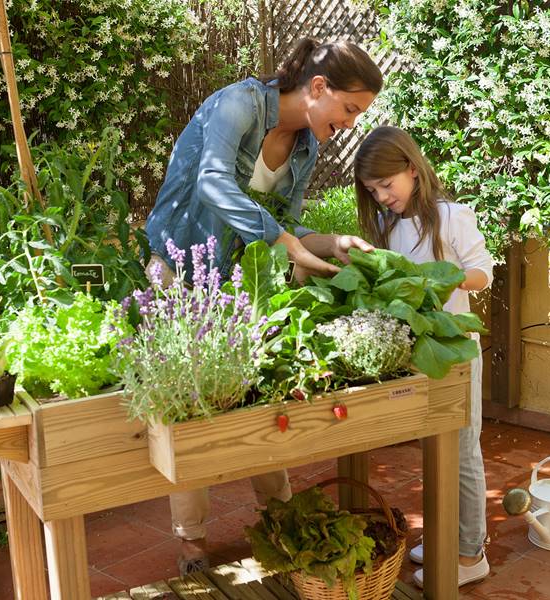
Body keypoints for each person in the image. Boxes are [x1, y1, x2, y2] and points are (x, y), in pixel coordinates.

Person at [145, 38, 383, 574]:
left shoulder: (306, 148)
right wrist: (285, 241)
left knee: (264, 401)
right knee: (191, 415)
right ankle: (192, 545)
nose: (349, 124)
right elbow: (211, 182)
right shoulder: (238, 105)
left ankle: (278, 519)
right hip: (180, 271)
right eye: (349, 109)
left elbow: (287, 224)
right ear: (318, 88)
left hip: (242, 282)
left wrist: (332, 243)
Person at [353, 126, 493, 589]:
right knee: (433, 449)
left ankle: (471, 553)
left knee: (464, 451)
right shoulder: (388, 228)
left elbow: (483, 272)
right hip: (418, 355)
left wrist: (444, 280)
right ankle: (443, 537)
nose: (382, 196)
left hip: (455, 353)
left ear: (412, 169)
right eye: (373, 191)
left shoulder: (451, 216)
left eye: (387, 184)